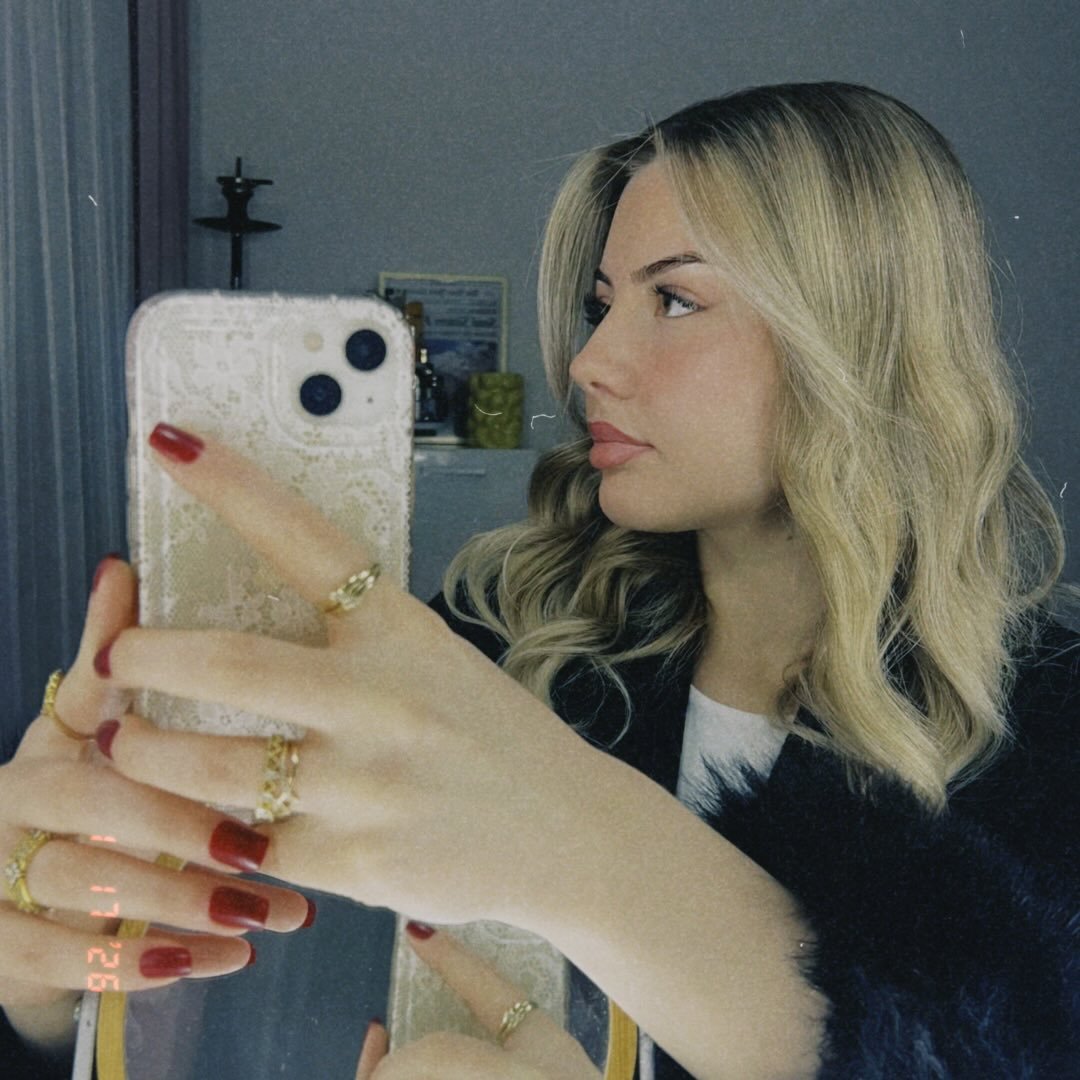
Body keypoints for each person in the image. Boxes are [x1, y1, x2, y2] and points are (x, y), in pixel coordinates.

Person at [3, 81, 1077, 1079]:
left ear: (859, 336)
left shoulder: (1052, 721)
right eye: (603, 304)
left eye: (676, 301)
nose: (589, 362)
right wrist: (52, 983)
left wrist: (571, 835)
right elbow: (273, 977)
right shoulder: (506, 636)